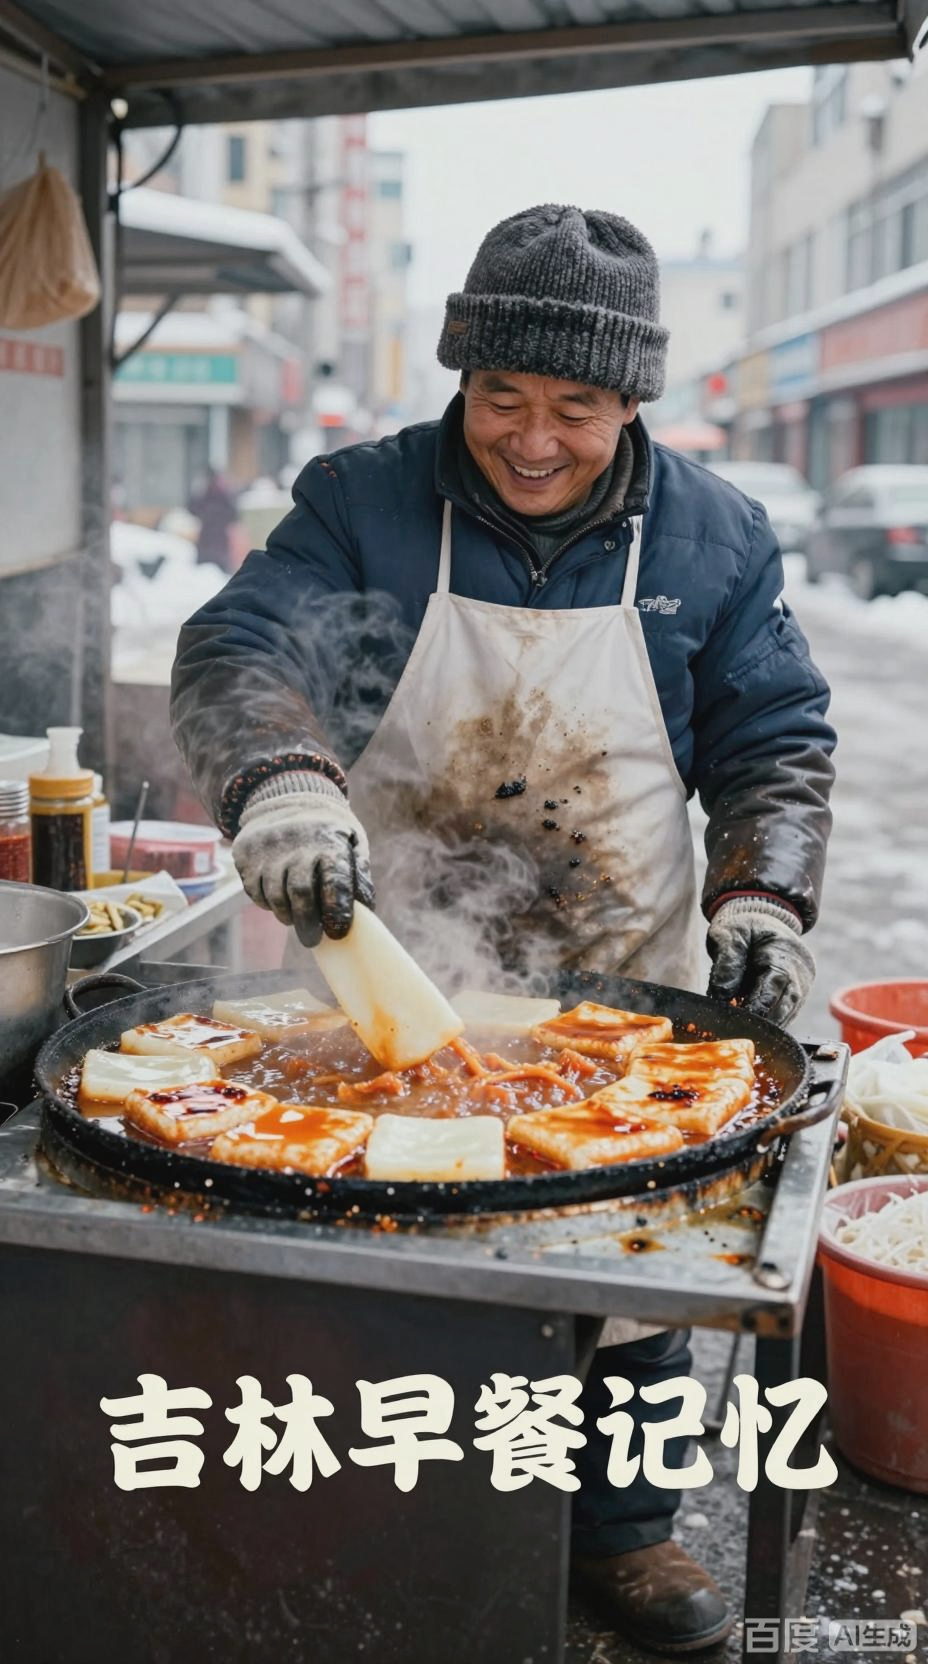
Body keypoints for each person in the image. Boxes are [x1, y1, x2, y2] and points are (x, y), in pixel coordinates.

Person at [171, 206, 835, 1655]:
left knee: (627, 1264)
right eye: (500, 399)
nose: (531, 440)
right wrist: (283, 783)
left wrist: (763, 898)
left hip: (624, 964)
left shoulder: (719, 537)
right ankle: (384, 1515)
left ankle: (626, 1538)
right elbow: (239, 647)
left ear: (634, 399)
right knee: (380, 1258)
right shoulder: (365, 497)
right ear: (459, 379)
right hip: (389, 963)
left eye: (575, 409)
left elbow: (774, 737)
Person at [187, 468, 239, 572]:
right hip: (218, 540)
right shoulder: (224, 494)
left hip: (208, 538)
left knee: (205, 571)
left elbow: (192, 508)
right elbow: (234, 515)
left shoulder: (204, 494)